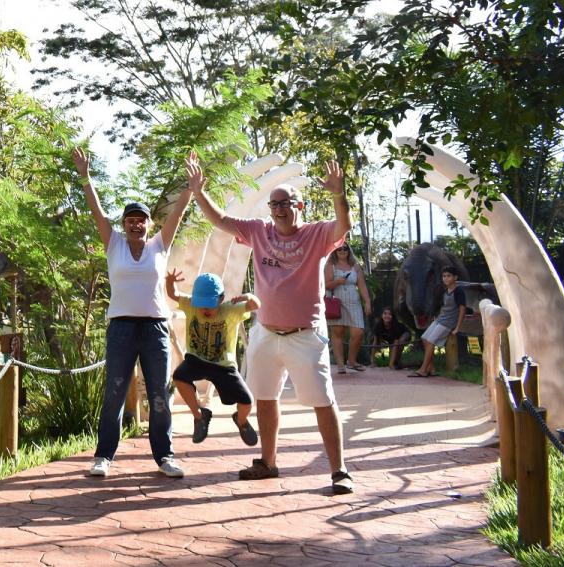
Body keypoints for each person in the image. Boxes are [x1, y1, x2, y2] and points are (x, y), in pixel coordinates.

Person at [185, 151, 356, 495]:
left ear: (300, 206)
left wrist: (339, 194)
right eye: (274, 204)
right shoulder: (258, 231)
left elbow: (344, 226)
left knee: (323, 400)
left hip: (306, 335)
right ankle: (268, 462)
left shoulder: (317, 234)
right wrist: (198, 192)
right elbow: (221, 220)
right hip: (265, 332)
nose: (279, 209)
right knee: (264, 397)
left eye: (285, 203)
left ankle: (339, 470)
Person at [73, 148, 191, 480]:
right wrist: (85, 177)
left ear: (149, 224)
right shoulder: (113, 244)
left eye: (141, 220)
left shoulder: (159, 245)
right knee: (114, 392)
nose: (136, 224)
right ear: (124, 225)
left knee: (159, 393)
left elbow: (178, 214)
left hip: (155, 329)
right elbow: (96, 211)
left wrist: (190, 188)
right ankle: (103, 456)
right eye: (130, 220)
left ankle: (165, 456)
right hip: (121, 328)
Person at [164, 269, 260, 447]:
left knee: (247, 402)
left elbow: (256, 305)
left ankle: (241, 421)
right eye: (201, 304)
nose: (205, 309)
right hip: (196, 360)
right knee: (179, 376)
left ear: (221, 299)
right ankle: (199, 416)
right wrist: (170, 281)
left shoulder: (230, 310)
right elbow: (173, 294)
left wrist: (246, 296)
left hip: (223, 366)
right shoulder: (191, 305)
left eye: (209, 305)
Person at [410, 266, 468, 377]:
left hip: (448, 323)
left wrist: (457, 327)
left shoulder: (459, 291)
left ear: (455, 277)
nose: (446, 278)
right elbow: (442, 307)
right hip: (440, 320)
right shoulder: (445, 291)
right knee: (424, 338)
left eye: (449, 276)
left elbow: (462, 309)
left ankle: (423, 369)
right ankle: (431, 368)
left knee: (431, 341)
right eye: (444, 276)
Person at [324, 244, 372, 374]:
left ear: (349, 251)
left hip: (354, 301)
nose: (342, 251)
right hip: (336, 301)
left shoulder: (355, 266)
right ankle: (340, 365)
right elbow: (325, 285)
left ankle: (351, 361)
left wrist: (367, 301)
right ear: (334, 251)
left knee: (358, 332)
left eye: (345, 248)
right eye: (339, 249)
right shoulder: (330, 265)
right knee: (338, 332)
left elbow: (362, 285)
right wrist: (338, 282)